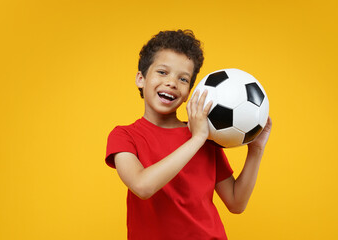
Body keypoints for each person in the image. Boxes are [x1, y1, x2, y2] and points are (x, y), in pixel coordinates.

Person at [105, 29, 272, 240]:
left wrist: (256, 150)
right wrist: (197, 139)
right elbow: (142, 186)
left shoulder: (207, 136)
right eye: (162, 72)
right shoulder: (124, 136)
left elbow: (236, 203)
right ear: (141, 78)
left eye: (183, 79)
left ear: (189, 94)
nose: (172, 83)